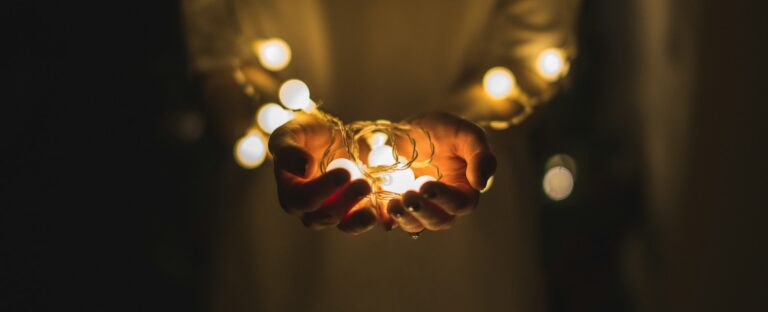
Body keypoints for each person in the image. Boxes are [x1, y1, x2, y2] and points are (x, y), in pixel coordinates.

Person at [183, 0, 579, 311]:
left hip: (466, 249)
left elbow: (533, 51)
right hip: (282, 253)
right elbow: (220, 54)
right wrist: (273, 124)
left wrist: (470, 127)